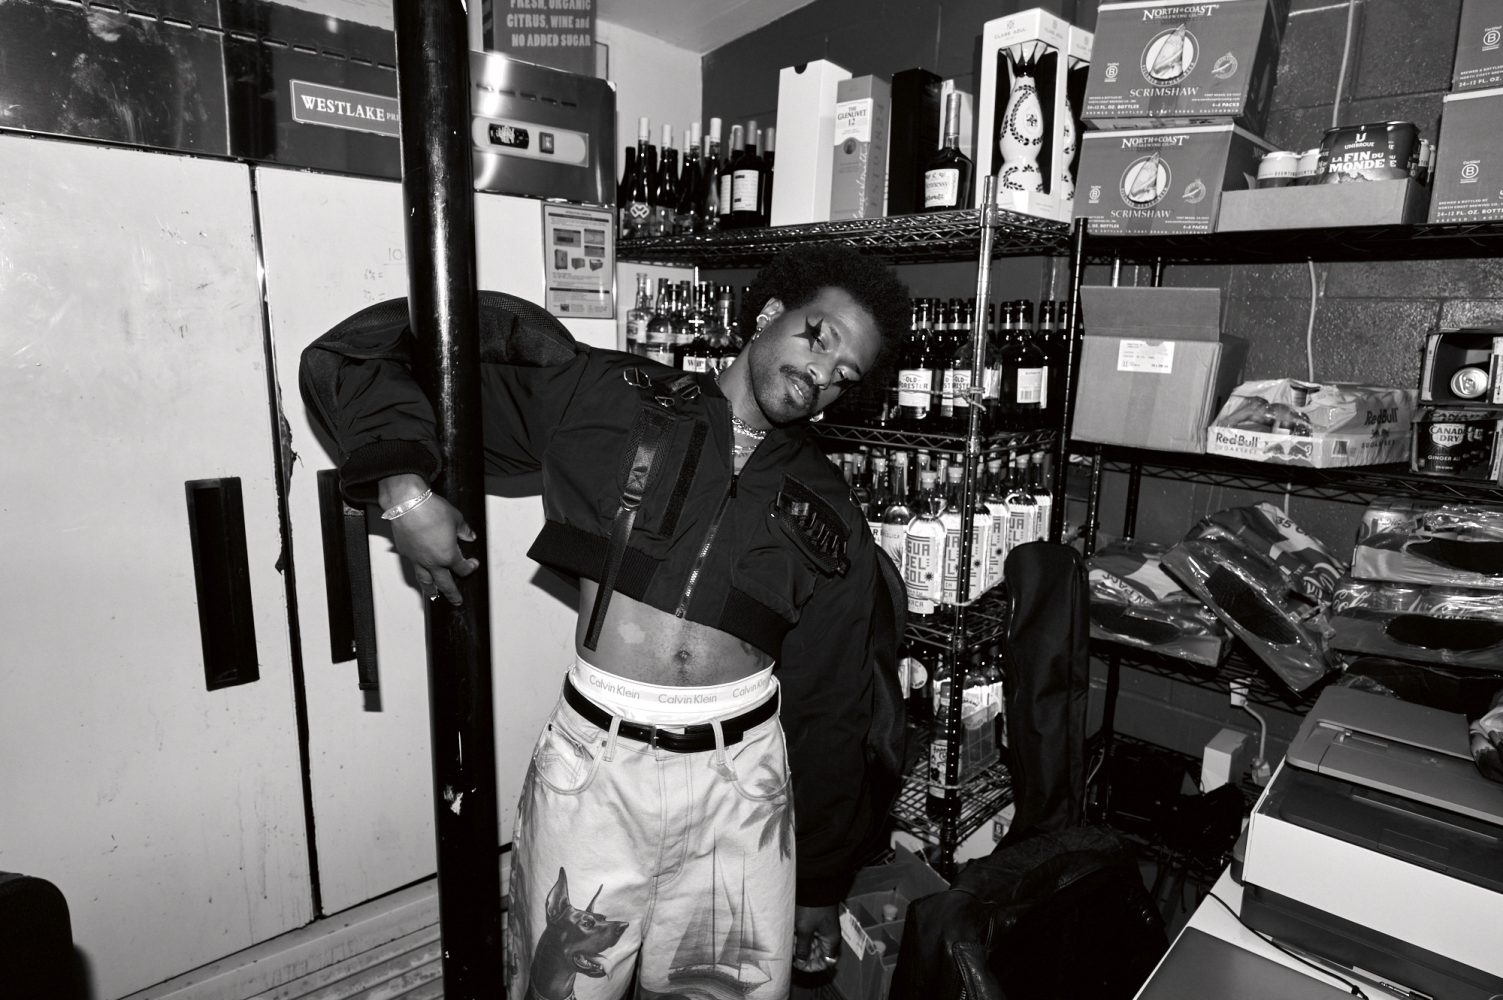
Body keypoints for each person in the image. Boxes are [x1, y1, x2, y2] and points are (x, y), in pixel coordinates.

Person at [300, 244, 910, 999]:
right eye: (821, 339)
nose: (822, 375)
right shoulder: (609, 395)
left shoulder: (830, 505)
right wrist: (405, 492)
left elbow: (832, 704)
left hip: (742, 787)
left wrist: (819, 877)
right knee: (560, 986)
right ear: (769, 314)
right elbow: (373, 352)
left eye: (844, 375)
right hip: (597, 765)